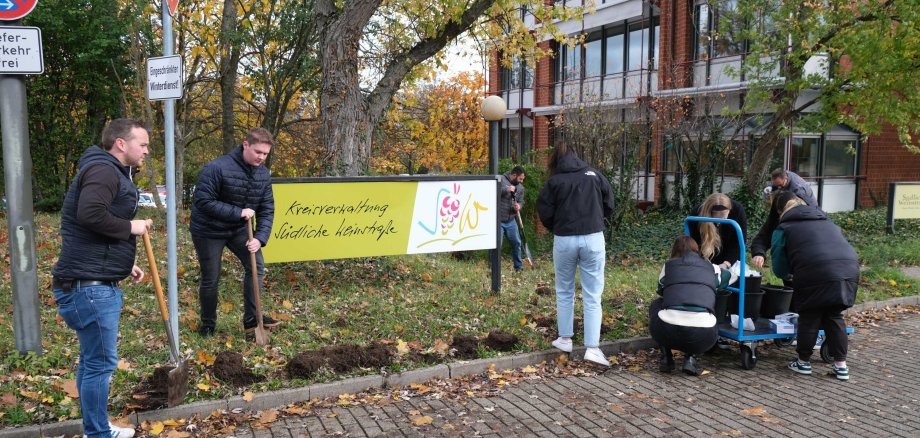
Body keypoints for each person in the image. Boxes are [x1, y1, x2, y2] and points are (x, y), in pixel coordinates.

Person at [52, 118, 152, 438]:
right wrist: (131, 227)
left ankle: (96, 428)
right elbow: (91, 214)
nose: (147, 151)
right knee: (100, 364)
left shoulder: (107, 170)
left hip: (90, 282)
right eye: (143, 144)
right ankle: (97, 434)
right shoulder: (104, 170)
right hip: (89, 289)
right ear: (121, 144)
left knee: (92, 361)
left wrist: (123, 266)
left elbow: (91, 228)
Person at [190, 128, 277, 337]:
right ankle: (208, 324)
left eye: (265, 154)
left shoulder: (263, 174)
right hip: (208, 229)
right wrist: (238, 212)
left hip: (238, 230)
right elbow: (203, 201)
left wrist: (259, 238)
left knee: (256, 265)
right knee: (211, 276)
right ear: (245, 144)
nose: (261, 157)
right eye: (258, 152)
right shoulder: (216, 168)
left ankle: (251, 319)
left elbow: (267, 208)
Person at [537, 142, 614, 366]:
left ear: (556, 160)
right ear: (576, 156)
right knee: (592, 294)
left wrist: (558, 227)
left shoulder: (554, 181)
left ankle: (564, 338)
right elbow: (609, 203)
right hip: (593, 237)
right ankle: (592, 348)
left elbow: (545, 211)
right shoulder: (594, 175)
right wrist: (597, 219)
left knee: (564, 289)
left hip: (564, 238)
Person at [769, 190, 858, 381]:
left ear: (780, 210)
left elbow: (779, 266)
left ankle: (803, 362)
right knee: (834, 315)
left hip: (815, 272)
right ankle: (841, 365)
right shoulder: (828, 222)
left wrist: (788, 275)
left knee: (809, 316)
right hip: (847, 269)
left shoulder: (784, 228)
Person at [649, 236, 735, 376]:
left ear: (674, 251)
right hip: (703, 335)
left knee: (656, 304)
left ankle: (666, 357)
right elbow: (728, 278)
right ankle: (691, 358)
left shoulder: (669, 266)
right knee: (707, 308)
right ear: (697, 250)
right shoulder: (711, 268)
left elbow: (661, 290)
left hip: (667, 331)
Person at [751, 168, 818, 270]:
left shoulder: (797, 190)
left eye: (780, 186)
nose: (778, 187)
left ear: (786, 179)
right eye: (776, 185)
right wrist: (758, 253)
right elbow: (765, 233)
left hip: (809, 208)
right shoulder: (782, 178)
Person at [688, 193, 748, 269]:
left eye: (723, 219)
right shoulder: (697, 214)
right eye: (716, 220)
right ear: (709, 213)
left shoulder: (737, 211)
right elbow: (695, 242)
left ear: (729, 210)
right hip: (705, 257)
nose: (718, 223)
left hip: (729, 258)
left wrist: (727, 263)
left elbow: (739, 243)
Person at [498, 166, 526, 272]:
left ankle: (518, 268)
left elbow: (521, 201)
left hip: (511, 221)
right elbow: (492, 192)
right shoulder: (500, 180)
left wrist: (519, 206)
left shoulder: (520, 188)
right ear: (514, 175)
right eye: (520, 179)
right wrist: (506, 189)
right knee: (497, 246)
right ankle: (493, 268)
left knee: (517, 243)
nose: (521, 181)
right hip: (498, 221)